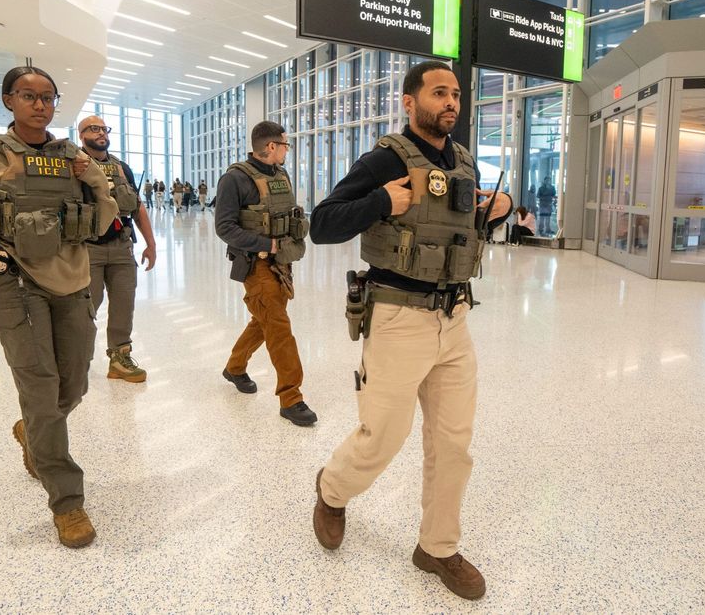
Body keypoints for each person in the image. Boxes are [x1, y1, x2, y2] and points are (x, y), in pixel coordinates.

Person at [309, 60, 509, 600]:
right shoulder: (384, 159)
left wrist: (495, 211)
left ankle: (437, 547)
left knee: (454, 444)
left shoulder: (464, 162)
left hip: (455, 319)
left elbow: (457, 228)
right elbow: (322, 223)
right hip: (398, 318)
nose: (450, 103)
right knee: (383, 437)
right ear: (408, 102)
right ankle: (331, 490)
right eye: (439, 93)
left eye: (456, 94)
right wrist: (382, 201)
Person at [0, 66, 118, 548]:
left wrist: (95, 181)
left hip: (73, 282)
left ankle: (32, 429)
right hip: (15, 284)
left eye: (48, 97)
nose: (40, 105)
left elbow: (102, 221)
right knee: (43, 389)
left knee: (74, 383)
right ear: (9, 100)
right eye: (29, 96)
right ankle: (67, 502)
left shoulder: (71, 157)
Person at [214, 121, 316, 427]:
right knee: (279, 327)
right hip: (256, 263)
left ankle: (235, 367)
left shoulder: (280, 175)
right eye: (285, 145)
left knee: (264, 320)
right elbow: (225, 228)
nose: (287, 151)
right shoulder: (235, 178)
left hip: (281, 262)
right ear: (271, 146)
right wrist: (269, 244)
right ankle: (291, 397)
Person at [77, 115, 157, 382]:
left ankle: (120, 357)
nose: (101, 133)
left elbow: (137, 206)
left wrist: (151, 244)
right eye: (93, 128)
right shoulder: (73, 166)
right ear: (82, 135)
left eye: (103, 128)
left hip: (122, 245)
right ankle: (75, 360)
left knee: (124, 302)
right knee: (85, 306)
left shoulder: (121, 168)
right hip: (87, 248)